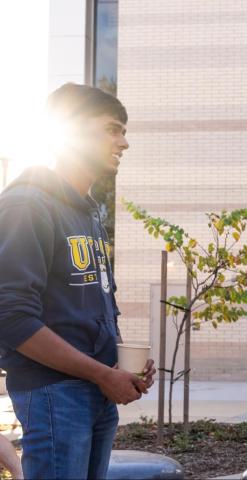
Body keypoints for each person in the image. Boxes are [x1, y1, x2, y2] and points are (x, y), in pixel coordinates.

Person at [0, 83, 156, 479]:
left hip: (95, 392)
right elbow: (12, 317)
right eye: (112, 129)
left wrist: (120, 368)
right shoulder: (27, 203)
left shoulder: (87, 214)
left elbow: (81, 311)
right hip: (55, 394)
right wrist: (102, 374)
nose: (124, 143)